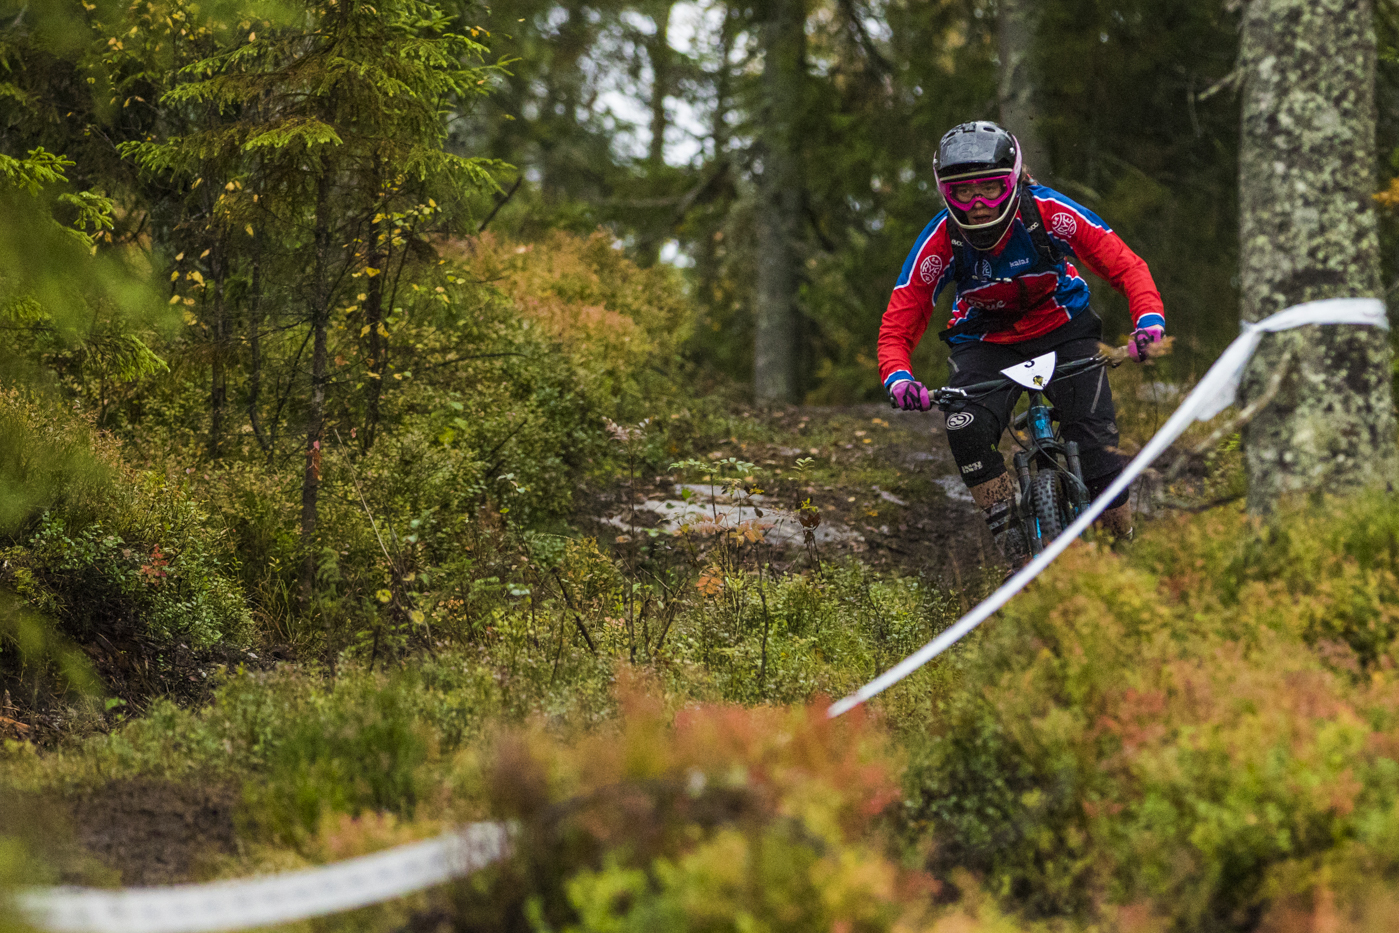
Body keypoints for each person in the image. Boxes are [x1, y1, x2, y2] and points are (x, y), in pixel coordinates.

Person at [877, 120, 1165, 567]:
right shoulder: (940, 241)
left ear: (1012, 181)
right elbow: (899, 322)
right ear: (944, 192)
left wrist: (1148, 320)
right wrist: (899, 377)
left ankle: (1124, 548)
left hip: (1064, 327)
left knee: (1099, 455)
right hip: (984, 341)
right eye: (962, 192)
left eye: (989, 188)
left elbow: (1126, 266)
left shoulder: (1051, 213)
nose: (977, 205)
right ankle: (1011, 538)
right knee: (965, 428)